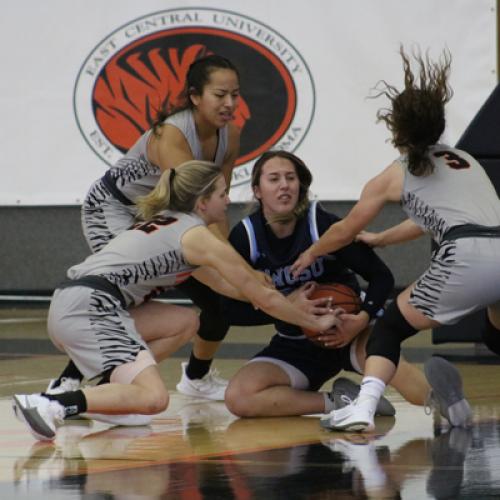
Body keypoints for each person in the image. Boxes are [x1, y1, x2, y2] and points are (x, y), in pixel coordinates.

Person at [13, 160, 340, 442]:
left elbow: (229, 286)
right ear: (202, 202)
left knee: (184, 322)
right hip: (91, 308)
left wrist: (272, 293)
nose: (227, 201)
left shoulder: (171, 223)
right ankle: (51, 404)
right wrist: (312, 321)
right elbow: (259, 295)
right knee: (155, 398)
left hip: (74, 302)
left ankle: (118, 395)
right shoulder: (196, 236)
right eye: (222, 194)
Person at [290, 47, 500, 432]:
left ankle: (363, 408)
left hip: (466, 255)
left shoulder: (397, 172)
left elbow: (345, 230)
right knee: (496, 331)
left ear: (395, 128)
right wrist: (384, 239)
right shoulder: (464, 160)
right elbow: (431, 220)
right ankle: (469, 423)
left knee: (389, 328)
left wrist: (312, 251)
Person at [48, 54, 245, 401]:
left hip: (160, 215)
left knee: (216, 299)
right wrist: (239, 272)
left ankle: (193, 378)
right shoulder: (172, 134)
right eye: (220, 95)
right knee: (122, 292)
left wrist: (230, 260)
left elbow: (214, 207)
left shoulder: (231, 134)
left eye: (235, 94)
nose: (229, 103)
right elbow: (189, 206)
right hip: (114, 207)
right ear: (195, 96)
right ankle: (71, 380)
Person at [223, 151, 432, 419]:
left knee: (411, 386)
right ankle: (340, 402)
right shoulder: (245, 237)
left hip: (349, 330)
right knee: (239, 398)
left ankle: (447, 404)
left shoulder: (319, 224)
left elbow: (381, 277)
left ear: (300, 186)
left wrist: (362, 317)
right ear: (257, 191)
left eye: (290, 178)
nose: (284, 185)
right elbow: (228, 310)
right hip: (295, 343)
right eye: (273, 179)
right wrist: (283, 308)